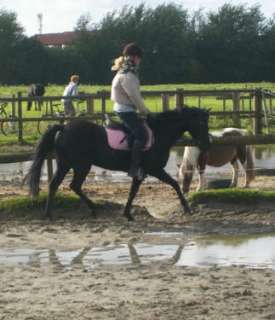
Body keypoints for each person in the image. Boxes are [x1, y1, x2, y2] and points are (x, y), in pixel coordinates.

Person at [111, 42, 150, 180]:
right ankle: (134, 169)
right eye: (139, 58)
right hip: (125, 110)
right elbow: (135, 97)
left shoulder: (125, 72)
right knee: (142, 136)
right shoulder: (127, 75)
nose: (140, 61)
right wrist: (145, 111)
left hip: (124, 108)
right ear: (133, 57)